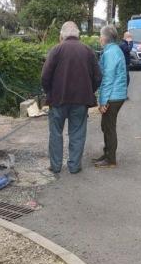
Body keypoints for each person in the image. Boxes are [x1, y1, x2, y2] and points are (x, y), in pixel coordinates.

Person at [42, 21, 102, 174]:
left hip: (57, 100)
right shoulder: (88, 51)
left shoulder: (56, 50)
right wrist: (89, 90)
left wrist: (49, 92)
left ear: (62, 35)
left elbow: (45, 76)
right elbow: (98, 77)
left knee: (55, 133)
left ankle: (55, 166)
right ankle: (74, 166)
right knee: (77, 133)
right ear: (78, 34)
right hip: (81, 100)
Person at [94, 25, 128, 168]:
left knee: (109, 127)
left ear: (104, 38)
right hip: (116, 94)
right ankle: (107, 153)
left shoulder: (111, 53)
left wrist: (102, 102)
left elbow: (108, 78)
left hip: (113, 96)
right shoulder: (113, 50)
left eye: (100, 36)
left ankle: (110, 159)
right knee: (106, 125)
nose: (99, 38)